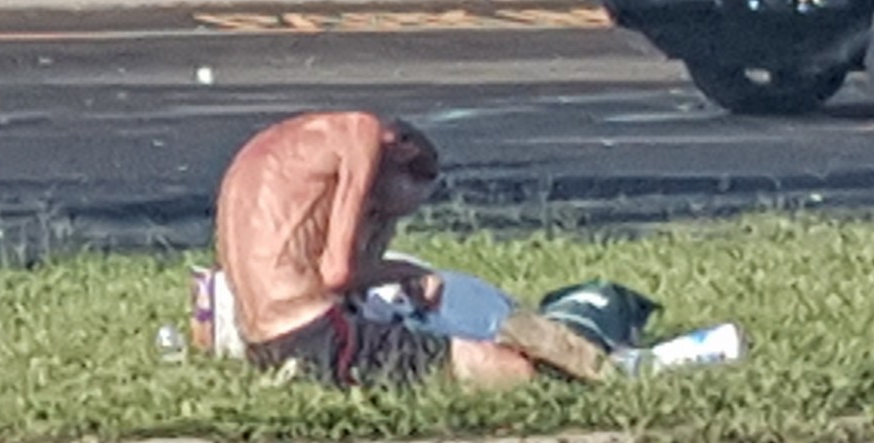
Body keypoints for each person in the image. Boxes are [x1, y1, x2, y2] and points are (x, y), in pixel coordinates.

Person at [213, 111, 610, 389]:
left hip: (262, 344)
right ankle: (603, 373)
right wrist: (410, 273)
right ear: (401, 151)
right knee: (512, 373)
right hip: (317, 334)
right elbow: (337, 273)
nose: (379, 224)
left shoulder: (281, 148)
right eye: (378, 213)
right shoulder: (360, 133)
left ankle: (583, 359)